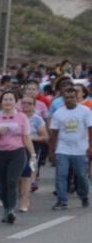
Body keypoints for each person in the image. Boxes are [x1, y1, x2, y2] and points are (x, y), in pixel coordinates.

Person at [0, 91, 33, 224]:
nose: (8, 102)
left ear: (16, 102)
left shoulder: (22, 117)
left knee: (11, 181)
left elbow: (26, 137)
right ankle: (6, 210)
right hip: (0, 153)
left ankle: (11, 210)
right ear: (1, 102)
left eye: (11, 99)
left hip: (18, 153)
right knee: (3, 184)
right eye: (5, 99)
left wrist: (32, 154)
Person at [47, 82, 92, 210]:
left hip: (80, 149)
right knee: (61, 175)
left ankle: (84, 196)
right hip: (63, 148)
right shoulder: (58, 113)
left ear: (77, 97)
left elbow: (90, 130)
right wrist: (52, 151)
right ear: (63, 98)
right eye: (67, 97)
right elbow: (53, 134)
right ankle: (62, 200)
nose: (69, 99)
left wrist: (90, 146)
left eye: (72, 97)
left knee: (81, 176)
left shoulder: (85, 111)